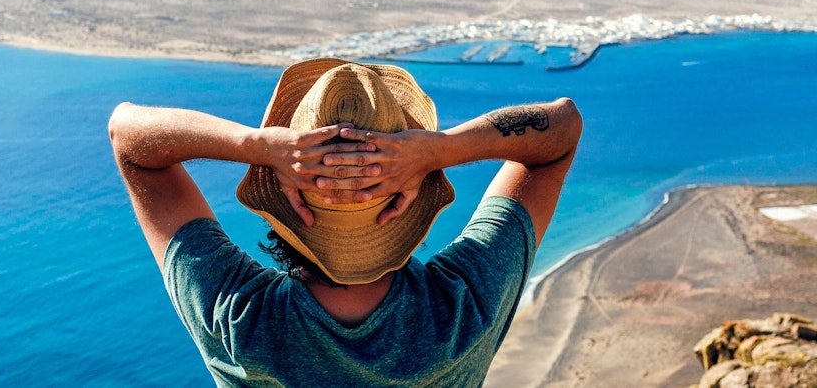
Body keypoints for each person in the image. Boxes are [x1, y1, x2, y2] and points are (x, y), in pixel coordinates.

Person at [107, 57, 582, 386]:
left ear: (284, 204)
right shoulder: (465, 306)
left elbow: (128, 137)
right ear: (409, 207)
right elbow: (560, 129)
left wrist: (255, 145)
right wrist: (443, 149)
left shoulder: (238, 322)